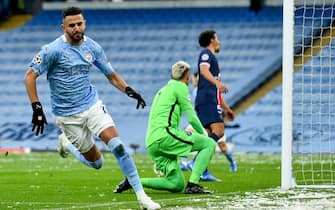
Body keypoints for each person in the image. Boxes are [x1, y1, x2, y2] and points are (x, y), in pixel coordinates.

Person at [23, 6, 160, 210]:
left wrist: (130, 91)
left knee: (118, 146)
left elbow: (111, 76)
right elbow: (30, 76)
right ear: (64, 27)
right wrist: (37, 108)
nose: (77, 28)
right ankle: (67, 144)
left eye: (80, 23)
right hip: (67, 115)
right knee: (97, 163)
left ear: (84, 23)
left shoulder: (93, 48)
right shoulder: (52, 50)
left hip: (92, 105)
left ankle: (142, 198)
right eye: (72, 25)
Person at [114, 61, 217, 194]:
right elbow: (191, 117)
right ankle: (193, 184)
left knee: (177, 184)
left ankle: (132, 182)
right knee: (209, 144)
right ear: (187, 76)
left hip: (152, 142)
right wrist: (203, 134)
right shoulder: (180, 87)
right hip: (165, 136)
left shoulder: (162, 90)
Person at [194, 30, 237, 172]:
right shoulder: (206, 54)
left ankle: (198, 171)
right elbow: (204, 70)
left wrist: (226, 108)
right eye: (217, 38)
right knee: (218, 131)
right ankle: (194, 161)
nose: (219, 42)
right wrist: (217, 83)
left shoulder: (212, 58)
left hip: (210, 100)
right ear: (212, 40)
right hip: (207, 100)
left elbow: (216, 90)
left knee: (208, 137)